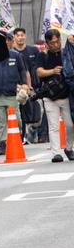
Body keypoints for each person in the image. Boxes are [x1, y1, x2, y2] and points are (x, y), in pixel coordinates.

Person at [0, 31, 30, 154]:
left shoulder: (16, 55)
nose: (5, 42)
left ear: (11, 41)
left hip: (12, 94)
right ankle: (3, 143)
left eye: (7, 40)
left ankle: (17, 137)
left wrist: (25, 85)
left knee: (17, 119)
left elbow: (23, 71)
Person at [35, 28, 73, 162]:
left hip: (66, 95)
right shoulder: (43, 55)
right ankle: (56, 153)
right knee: (53, 126)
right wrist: (52, 71)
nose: (55, 45)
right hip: (49, 96)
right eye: (52, 43)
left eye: (57, 42)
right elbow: (39, 72)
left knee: (70, 125)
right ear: (47, 43)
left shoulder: (66, 53)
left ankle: (69, 148)